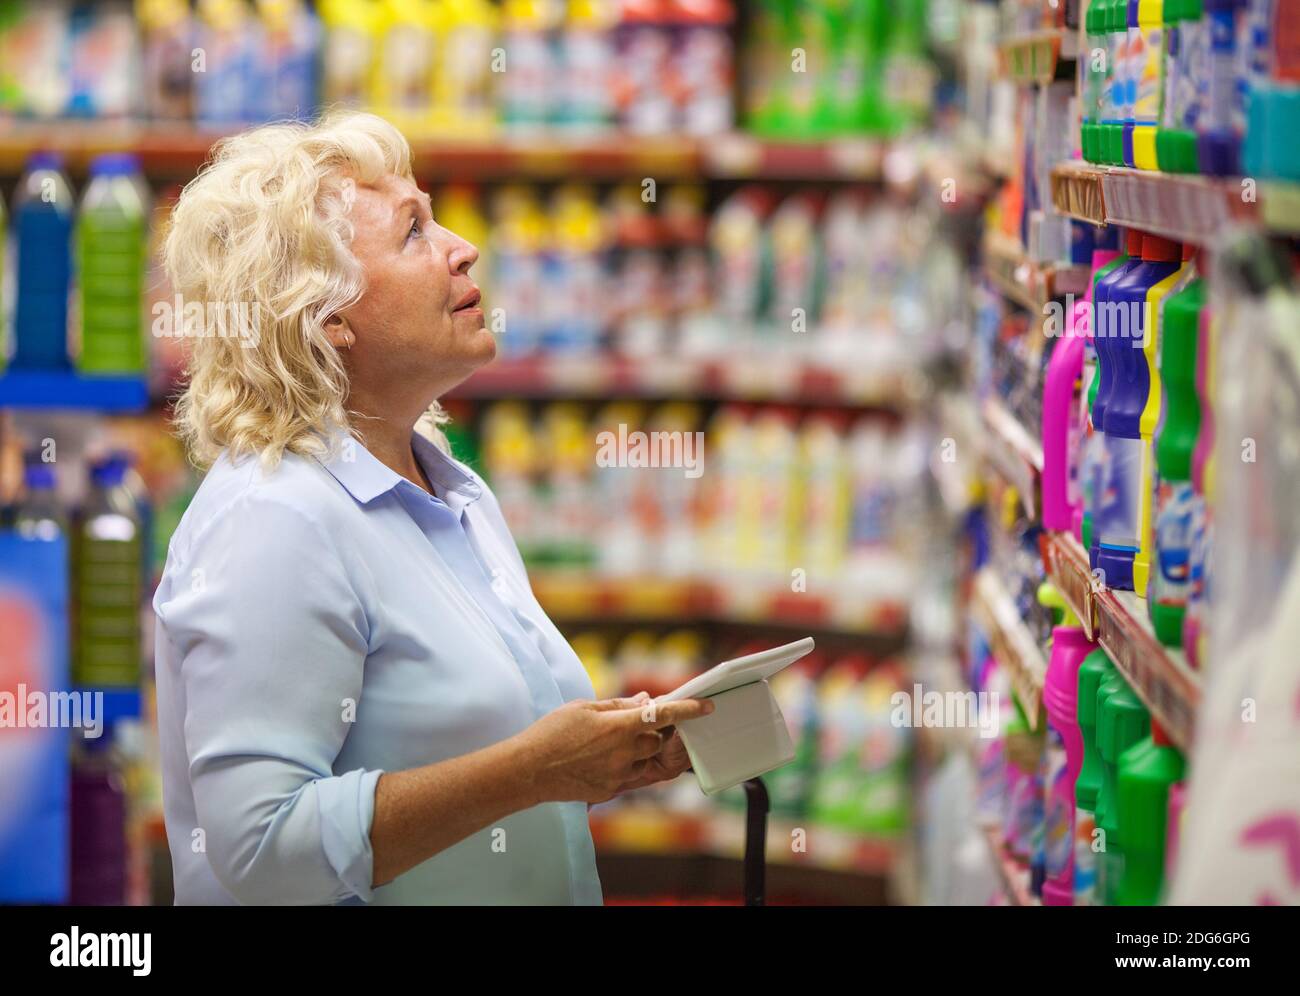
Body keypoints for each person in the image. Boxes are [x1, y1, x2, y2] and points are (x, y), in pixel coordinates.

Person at [152, 111, 712, 905]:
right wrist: (534, 770)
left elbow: (463, 758)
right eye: (414, 231)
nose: (463, 246)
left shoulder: (447, 487)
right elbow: (263, 847)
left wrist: (603, 755)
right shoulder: (275, 518)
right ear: (327, 316)